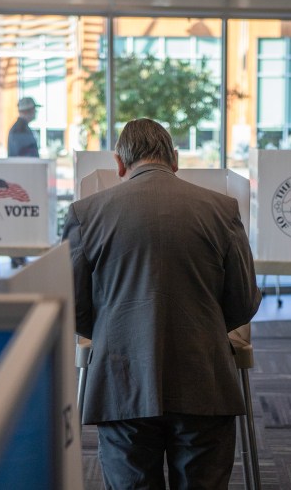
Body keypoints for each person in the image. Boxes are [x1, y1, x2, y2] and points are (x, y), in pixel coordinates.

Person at [62, 118, 261, 489]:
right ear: (175, 160)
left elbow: (73, 307)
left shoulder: (85, 214)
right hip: (205, 378)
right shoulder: (223, 210)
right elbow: (244, 301)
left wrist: (113, 330)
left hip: (122, 383)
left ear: (119, 164)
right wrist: (205, 325)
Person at [7, 96, 40, 268]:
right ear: (28, 110)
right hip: (22, 180)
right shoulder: (19, 130)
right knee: (19, 221)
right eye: (34, 109)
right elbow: (25, 156)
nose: (35, 112)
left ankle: (18, 255)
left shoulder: (22, 128)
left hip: (23, 179)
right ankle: (17, 255)